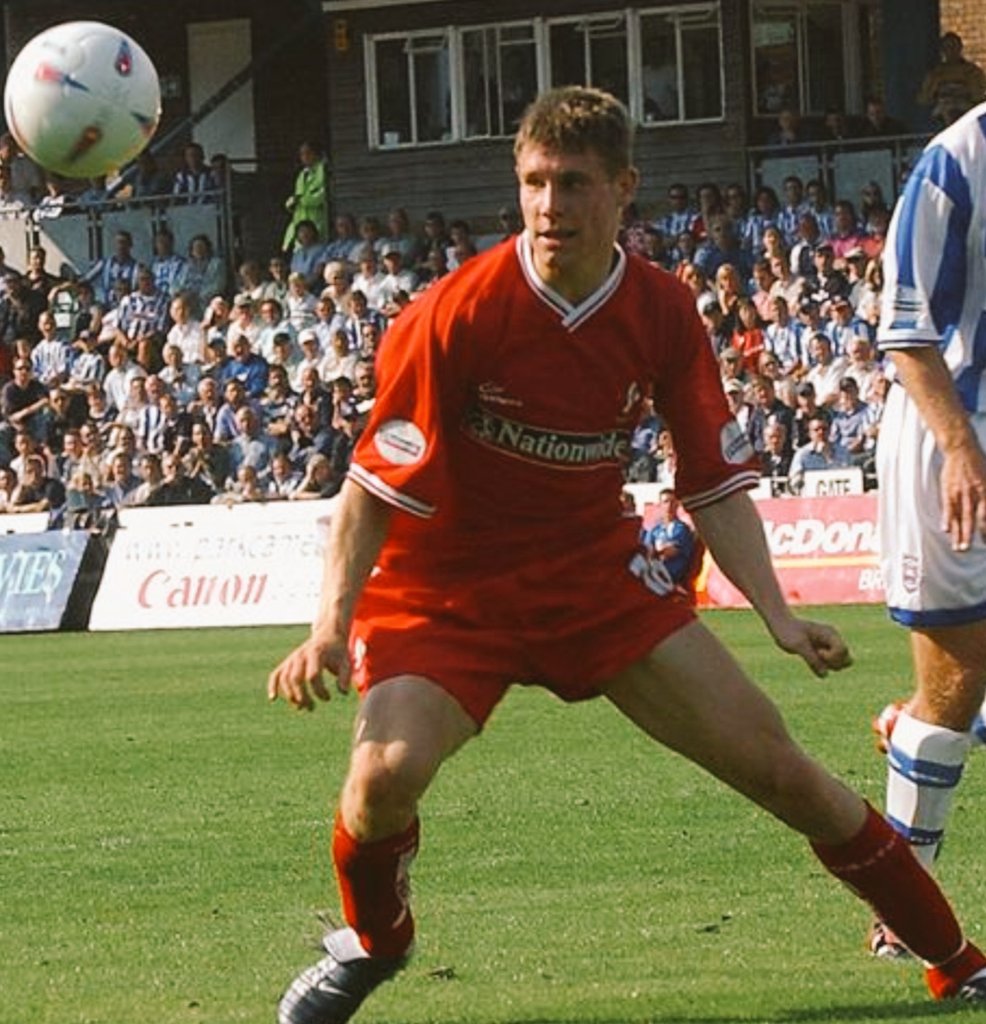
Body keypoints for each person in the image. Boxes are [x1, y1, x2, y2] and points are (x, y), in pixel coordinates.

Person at [267, 86, 986, 1024]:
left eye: (571, 184)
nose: (548, 206)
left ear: (622, 191)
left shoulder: (660, 309)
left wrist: (778, 616)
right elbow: (371, 484)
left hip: (594, 582)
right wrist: (329, 627)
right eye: (532, 183)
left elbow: (713, 480)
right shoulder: (452, 313)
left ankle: (956, 962)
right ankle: (374, 944)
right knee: (382, 778)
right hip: (449, 593)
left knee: (781, 770)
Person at [867, 98, 986, 961]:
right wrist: (961, 447)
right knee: (955, 684)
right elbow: (905, 331)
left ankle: (911, 736)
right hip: (950, 438)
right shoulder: (957, 161)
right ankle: (904, 921)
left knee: (953, 696)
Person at [918, 32, 986, 127]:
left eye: (954, 47)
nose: (951, 50)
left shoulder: (972, 71)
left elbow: (978, 96)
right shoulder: (935, 73)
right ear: (942, 50)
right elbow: (924, 98)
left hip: (966, 115)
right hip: (941, 117)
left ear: (960, 48)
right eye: (947, 47)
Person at [283, 141, 330, 252]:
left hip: (317, 223)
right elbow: (297, 196)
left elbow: (321, 196)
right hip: (300, 222)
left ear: (316, 154)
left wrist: (300, 200)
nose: (304, 157)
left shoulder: (323, 170)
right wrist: (291, 203)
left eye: (308, 153)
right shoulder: (302, 175)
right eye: (302, 154)